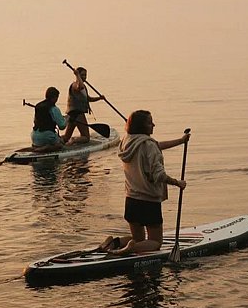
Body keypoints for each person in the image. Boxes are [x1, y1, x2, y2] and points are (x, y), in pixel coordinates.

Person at [99, 110, 189, 255]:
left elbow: (156, 145)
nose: (153, 125)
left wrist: (181, 140)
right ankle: (131, 249)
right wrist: (177, 183)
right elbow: (158, 175)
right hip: (148, 200)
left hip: (131, 199)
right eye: (149, 122)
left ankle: (114, 243)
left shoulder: (127, 141)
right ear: (142, 126)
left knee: (138, 238)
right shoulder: (149, 145)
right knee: (156, 242)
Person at [62, 66, 105, 146]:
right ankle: (73, 140)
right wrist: (77, 75)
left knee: (66, 137)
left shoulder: (82, 86)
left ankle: (58, 141)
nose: (84, 77)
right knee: (86, 137)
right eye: (82, 75)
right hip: (77, 113)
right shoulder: (75, 85)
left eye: (85, 75)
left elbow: (88, 99)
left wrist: (99, 98)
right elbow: (80, 87)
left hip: (73, 114)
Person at [31, 87, 68, 152]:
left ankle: (38, 147)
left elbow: (36, 121)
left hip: (34, 136)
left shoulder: (38, 106)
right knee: (60, 145)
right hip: (47, 136)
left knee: (55, 138)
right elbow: (62, 126)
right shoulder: (54, 108)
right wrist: (67, 119)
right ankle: (47, 147)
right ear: (55, 97)